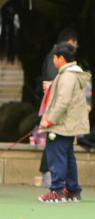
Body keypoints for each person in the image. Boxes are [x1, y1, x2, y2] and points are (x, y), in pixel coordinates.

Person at [37, 42, 90, 203]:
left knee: (57, 156)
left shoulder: (67, 76)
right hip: (68, 124)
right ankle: (73, 190)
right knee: (68, 156)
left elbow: (63, 101)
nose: (53, 60)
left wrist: (49, 120)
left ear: (61, 58)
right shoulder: (71, 74)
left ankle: (57, 190)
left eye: (54, 57)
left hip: (61, 125)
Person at [37, 28, 78, 187]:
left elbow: (61, 98)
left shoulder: (68, 73)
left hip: (60, 116)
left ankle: (60, 186)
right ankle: (68, 187)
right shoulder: (56, 63)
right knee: (62, 150)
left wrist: (49, 119)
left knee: (59, 149)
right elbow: (57, 94)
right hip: (58, 114)